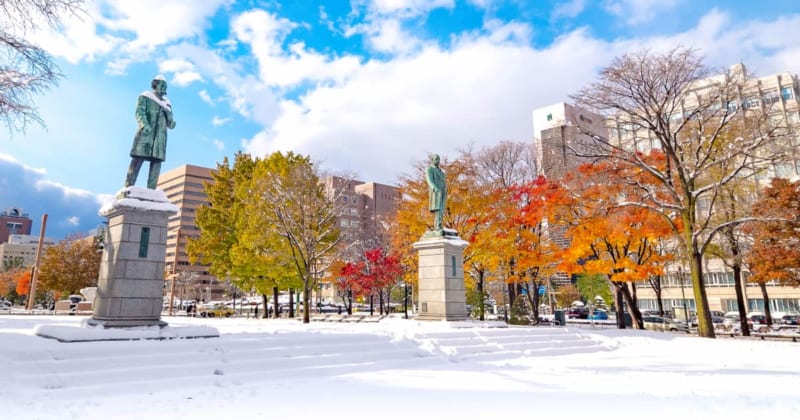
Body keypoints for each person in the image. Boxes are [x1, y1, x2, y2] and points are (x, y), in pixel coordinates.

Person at [125, 75, 176, 189]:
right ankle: (128, 186)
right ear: (155, 85)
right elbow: (139, 112)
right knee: (137, 159)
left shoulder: (167, 104)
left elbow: (171, 124)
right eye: (161, 85)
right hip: (146, 134)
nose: (163, 87)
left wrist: (168, 115)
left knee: (156, 162)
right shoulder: (145, 97)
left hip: (160, 138)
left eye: (165, 85)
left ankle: (151, 190)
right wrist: (144, 125)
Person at [425, 154, 447, 231]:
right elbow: (429, 179)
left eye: (439, 159)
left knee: (442, 208)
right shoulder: (430, 169)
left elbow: (443, 180)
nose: (438, 160)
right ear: (432, 160)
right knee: (438, 208)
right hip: (436, 191)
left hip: (443, 190)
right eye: (436, 159)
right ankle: (437, 226)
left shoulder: (441, 171)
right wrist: (434, 187)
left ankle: (439, 224)